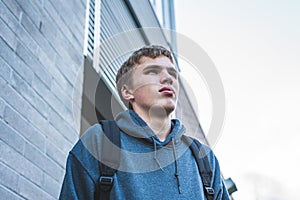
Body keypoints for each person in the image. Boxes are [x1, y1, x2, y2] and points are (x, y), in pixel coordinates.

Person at [59, 45, 230, 199]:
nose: (168, 78)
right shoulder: (99, 141)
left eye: (172, 74)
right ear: (127, 92)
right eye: (153, 71)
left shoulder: (204, 158)